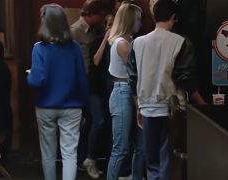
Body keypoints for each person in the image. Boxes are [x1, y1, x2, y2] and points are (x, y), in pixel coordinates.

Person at [127, 0, 206, 179]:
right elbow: (185, 78)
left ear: (155, 16)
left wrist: (138, 106)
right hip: (172, 110)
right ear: (173, 17)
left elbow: (132, 79)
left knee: (152, 160)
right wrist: (202, 103)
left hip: (147, 107)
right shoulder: (181, 43)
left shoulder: (137, 43)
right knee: (169, 160)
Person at [27, 4, 88, 180]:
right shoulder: (75, 47)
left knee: (48, 154)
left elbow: (36, 81)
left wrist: (29, 76)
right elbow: (82, 80)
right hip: (72, 106)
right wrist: (84, 106)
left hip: (45, 106)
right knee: (70, 154)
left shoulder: (39, 48)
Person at [106, 2, 146, 180]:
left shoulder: (127, 41)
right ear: (130, 21)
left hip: (129, 92)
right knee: (121, 148)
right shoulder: (122, 43)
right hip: (123, 93)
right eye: (138, 19)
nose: (140, 23)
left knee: (141, 147)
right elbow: (137, 71)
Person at [83, 14, 114, 179]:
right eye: (108, 24)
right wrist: (105, 40)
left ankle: (106, 162)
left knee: (109, 124)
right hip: (95, 88)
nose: (111, 27)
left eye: (114, 24)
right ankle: (90, 158)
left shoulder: (119, 43)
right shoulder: (96, 42)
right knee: (99, 120)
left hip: (109, 89)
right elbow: (95, 61)